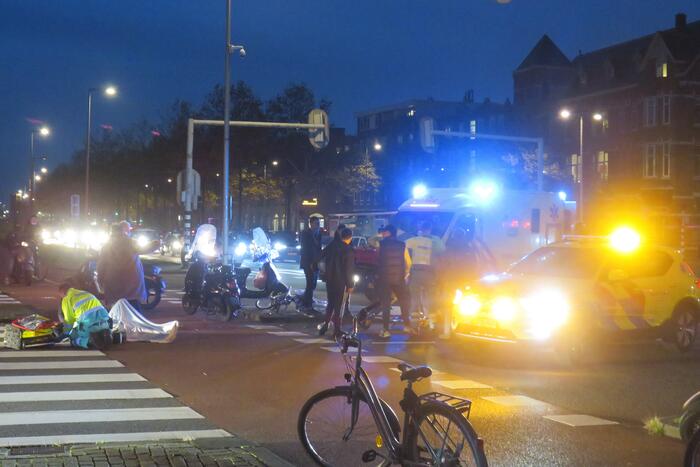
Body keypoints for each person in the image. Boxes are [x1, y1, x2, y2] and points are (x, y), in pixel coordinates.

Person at [97, 222, 146, 310]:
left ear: (111, 232)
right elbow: (145, 249)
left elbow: (101, 267)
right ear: (122, 231)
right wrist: (156, 244)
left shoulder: (106, 247)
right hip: (133, 287)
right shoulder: (131, 242)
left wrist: (100, 282)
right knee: (134, 312)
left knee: (116, 313)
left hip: (113, 287)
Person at [405, 222, 445, 327]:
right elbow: (442, 250)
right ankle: (432, 324)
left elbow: (403, 245)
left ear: (420, 229)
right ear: (430, 228)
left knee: (415, 299)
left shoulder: (415, 240)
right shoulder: (436, 240)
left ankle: (414, 325)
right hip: (430, 274)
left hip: (416, 273)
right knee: (431, 298)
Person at [376, 224, 413, 338]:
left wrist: (379, 235)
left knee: (386, 304)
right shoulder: (402, 245)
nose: (383, 233)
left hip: (384, 279)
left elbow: (371, 242)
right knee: (404, 302)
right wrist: (405, 274)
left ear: (388, 233)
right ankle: (407, 326)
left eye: (384, 232)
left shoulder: (380, 244)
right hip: (399, 279)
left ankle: (385, 330)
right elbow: (408, 263)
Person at [318, 227, 355, 338]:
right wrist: (350, 284)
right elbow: (349, 270)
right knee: (339, 307)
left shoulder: (332, 246)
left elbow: (321, 255)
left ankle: (325, 324)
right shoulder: (348, 250)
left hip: (330, 280)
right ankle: (337, 330)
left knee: (330, 304)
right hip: (341, 282)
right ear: (350, 238)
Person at [58, 282, 112, 350]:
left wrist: (65, 333)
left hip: (89, 326)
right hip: (105, 323)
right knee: (92, 326)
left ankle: (89, 341)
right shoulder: (85, 293)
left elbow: (69, 321)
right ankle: (109, 335)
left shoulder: (66, 299)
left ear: (62, 292)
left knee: (73, 337)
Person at [299, 216, 322, 310]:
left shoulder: (318, 234)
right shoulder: (305, 233)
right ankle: (307, 304)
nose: (318, 225)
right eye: (316, 223)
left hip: (315, 262)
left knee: (313, 283)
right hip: (308, 262)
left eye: (319, 223)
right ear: (311, 224)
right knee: (310, 283)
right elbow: (305, 249)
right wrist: (310, 263)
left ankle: (306, 299)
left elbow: (319, 248)